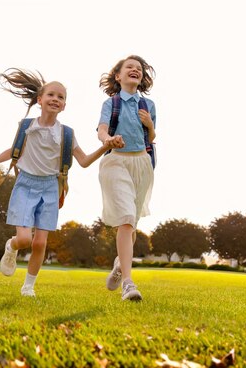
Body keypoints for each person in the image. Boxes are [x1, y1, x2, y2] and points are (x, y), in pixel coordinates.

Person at [0, 68, 124, 297]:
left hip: (50, 187)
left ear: (64, 105)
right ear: (40, 100)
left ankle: (28, 286)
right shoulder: (27, 126)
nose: (55, 99)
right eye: (51, 95)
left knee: (39, 244)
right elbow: (13, 151)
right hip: (25, 184)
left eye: (61, 97)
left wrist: (105, 146)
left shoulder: (66, 134)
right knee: (25, 239)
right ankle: (11, 246)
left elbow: (84, 161)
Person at [96, 55, 156, 302]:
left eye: (139, 68)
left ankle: (120, 265)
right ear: (118, 76)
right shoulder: (112, 103)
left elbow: (150, 138)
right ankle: (129, 284)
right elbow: (101, 130)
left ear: (141, 78)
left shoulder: (149, 105)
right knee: (126, 220)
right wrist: (107, 140)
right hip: (116, 162)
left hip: (142, 164)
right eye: (129, 67)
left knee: (132, 226)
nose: (135, 70)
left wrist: (150, 125)